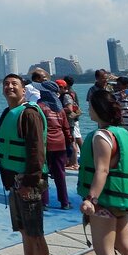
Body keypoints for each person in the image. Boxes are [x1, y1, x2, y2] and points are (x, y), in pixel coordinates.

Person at [77, 89, 128, 255]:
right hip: (122, 202)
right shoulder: (121, 132)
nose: (88, 110)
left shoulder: (101, 136)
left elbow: (102, 170)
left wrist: (91, 199)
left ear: (99, 109)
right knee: (126, 247)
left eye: (90, 106)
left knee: (105, 253)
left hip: (104, 202)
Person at [0, 74, 49, 255]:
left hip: (28, 182)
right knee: (24, 230)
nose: (9, 87)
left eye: (14, 84)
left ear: (23, 90)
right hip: (14, 180)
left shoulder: (29, 114)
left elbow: (36, 151)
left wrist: (30, 181)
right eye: (6, 84)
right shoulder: (7, 113)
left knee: (36, 233)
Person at [37, 81, 73, 210]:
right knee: (60, 174)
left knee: (43, 173)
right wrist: (69, 145)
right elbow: (66, 128)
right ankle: (64, 202)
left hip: (46, 145)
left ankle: (44, 202)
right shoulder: (60, 109)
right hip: (60, 144)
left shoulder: (39, 107)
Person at [62, 76, 83, 169]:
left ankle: (75, 162)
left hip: (72, 119)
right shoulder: (71, 92)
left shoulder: (69, 93)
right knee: (74, 139)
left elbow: (71, 108)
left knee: (75, 139)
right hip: (73, 118)